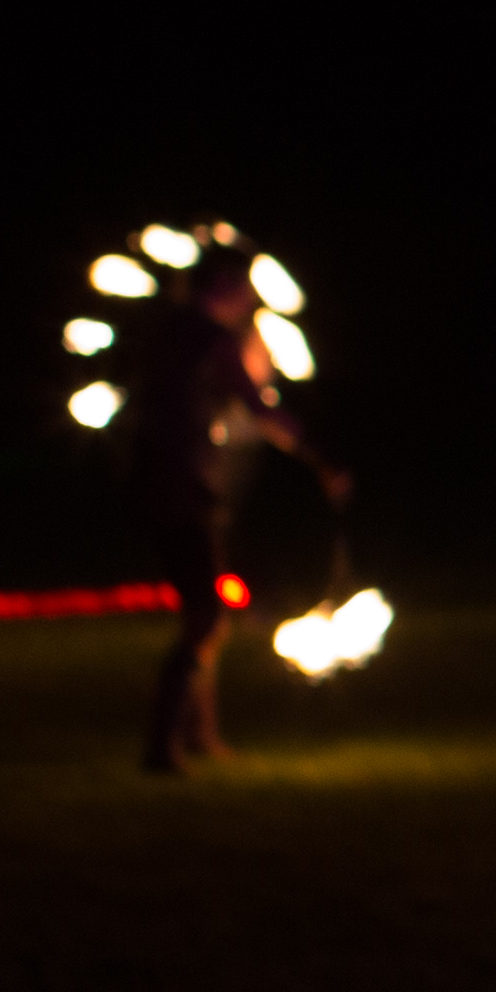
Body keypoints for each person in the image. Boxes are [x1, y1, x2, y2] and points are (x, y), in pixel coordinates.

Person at [119, 247, 340, 776]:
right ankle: (161, 747)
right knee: (206, 616)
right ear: (222, 283)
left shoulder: (171, 333)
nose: (251, 300)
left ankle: (200, 736)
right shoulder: (210, 340)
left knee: (207, 614)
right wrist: (320, 459)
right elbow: (258, 407)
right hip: (183, 490)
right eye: (245, 288)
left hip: (166, 485)